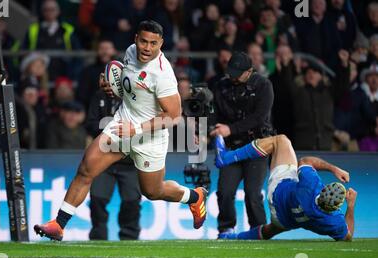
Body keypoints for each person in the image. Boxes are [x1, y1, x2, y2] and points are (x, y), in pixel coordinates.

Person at [34, 20, 208, 241]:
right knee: (86, 168)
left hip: (149, 137)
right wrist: (110, 85)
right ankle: (58, 225)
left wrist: (136, 129)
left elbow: (173, 116)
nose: (147, 48)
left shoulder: (162, 75)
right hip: (122, 124)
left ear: (161, 44)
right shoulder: (130, 52)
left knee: (153, 192)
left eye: (153, 44)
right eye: (144, 41)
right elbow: (129, 87)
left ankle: (195, 196)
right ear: (136, 38)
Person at [214, 134, 357, 241]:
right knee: (271, 230)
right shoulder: (333, 221)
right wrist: (350, 206)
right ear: (336, 207)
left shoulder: (311, 186)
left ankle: (226, 158)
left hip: (278, 194)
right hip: (285, 221)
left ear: (324, 189)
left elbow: (305, 161)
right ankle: (229, 237)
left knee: (280, 141)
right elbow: (348, 235)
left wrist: (333, 169)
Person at [209, 51, 274, 238]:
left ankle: (259, 230)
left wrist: (231, 128)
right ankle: (226, 229)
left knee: (253, 193)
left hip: (257, 146)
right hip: (232, 148)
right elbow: (214, 114)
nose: (233, 76)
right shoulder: (221, 86)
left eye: (238, 73)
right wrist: (211, 129)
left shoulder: (263, 85)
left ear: (250, 71)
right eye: (231, 72)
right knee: (224, 192)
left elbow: (259, 117)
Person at [86, 90, 142, 240]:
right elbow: (90, 124)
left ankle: (129, 237)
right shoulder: (99, 96)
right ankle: (98, 236)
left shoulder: (138, 97)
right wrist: (113, 130)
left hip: (130, 161)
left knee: (132, 201)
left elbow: (145, 125)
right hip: (104, 159)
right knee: (97, 199)